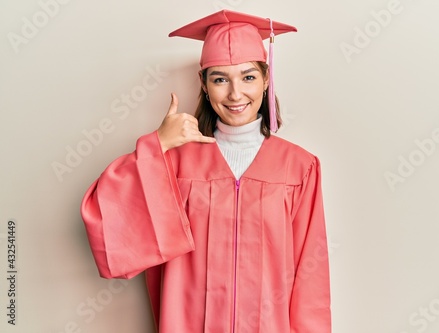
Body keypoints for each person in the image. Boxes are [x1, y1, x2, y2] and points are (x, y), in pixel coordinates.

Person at [81, 9, 331, 333]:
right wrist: (158, 145)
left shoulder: (300, 169)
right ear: (203, 82)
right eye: (220, 79)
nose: (235, 93)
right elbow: (105, 219)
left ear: (267, 78)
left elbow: (311, 283)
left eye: (248, 77)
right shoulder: (176, 163)